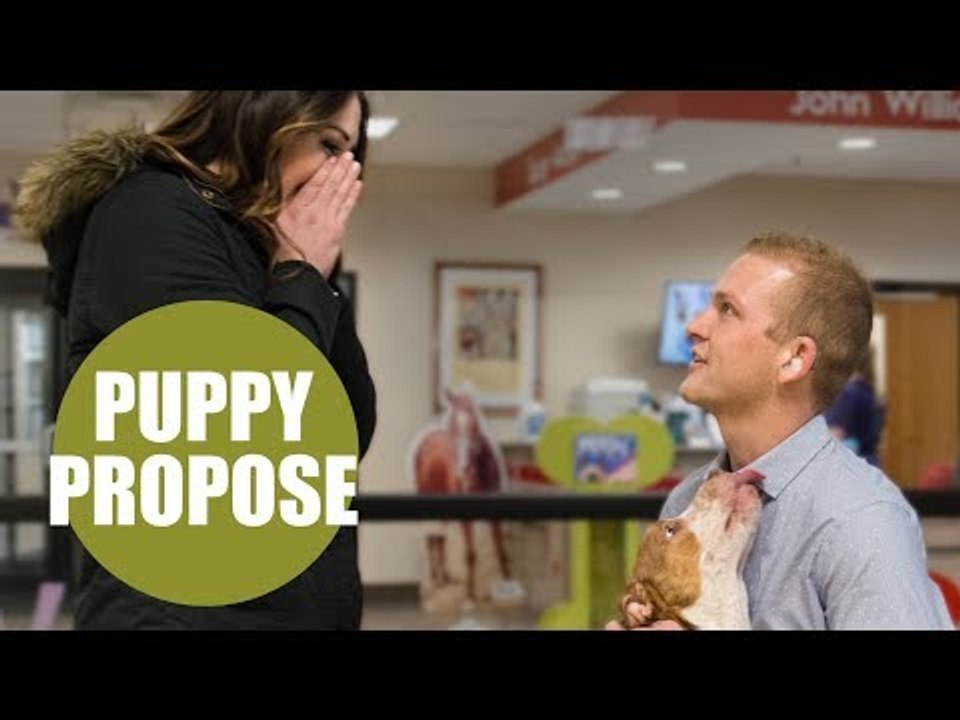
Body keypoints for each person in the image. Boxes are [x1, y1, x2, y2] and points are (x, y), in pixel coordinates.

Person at [14, 91, 377, 630]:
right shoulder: (151, 211)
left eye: (351, 156)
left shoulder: (266, 248)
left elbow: (347, 431)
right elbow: (238, 433)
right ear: (268, 112)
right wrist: (301, 274)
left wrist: (309, 272)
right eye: (329, 145)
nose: (341, 176)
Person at [610, 232, 951, 630]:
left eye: (727, 310)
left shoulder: (860, 521)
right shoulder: (688, 501)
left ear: (794, 359)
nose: (694, 327)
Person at [825, 347, 885, 467]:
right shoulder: (870, 392)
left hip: (850, 469)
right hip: (870, 467)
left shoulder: (849, 394)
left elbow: (834, 437)